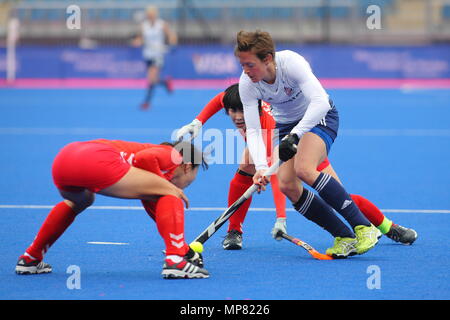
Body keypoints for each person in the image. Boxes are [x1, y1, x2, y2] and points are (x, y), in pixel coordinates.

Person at [176, 84, 417, 250]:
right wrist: (198, 122)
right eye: (232, 111)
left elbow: (280, 177)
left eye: (242, 110)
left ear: (257, 108)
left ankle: (388, 227)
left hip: (298, 149)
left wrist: (281, 217)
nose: (237, 116)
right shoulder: (237, 98)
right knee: (245, 168)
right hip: (265, 146)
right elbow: (219, 100)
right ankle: (234, 231)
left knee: (340, 197)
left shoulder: (270, 124)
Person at [235, 30, 380, 258]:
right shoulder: (247, 83)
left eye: (250, 65)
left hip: (318, 116)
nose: (245, 71)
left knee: (304, 168)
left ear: (268, 59)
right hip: (285, 125)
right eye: (242, 65)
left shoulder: (291, 63)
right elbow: (253, 130)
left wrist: (295, 135)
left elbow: (320, 101)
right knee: (287, 186)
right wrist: (262, 167)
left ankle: (364, 227)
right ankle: (344, 236)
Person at [15, 139, 209, 279]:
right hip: (97, 160)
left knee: (82, 201)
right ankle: (175, 260)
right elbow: (145, 158)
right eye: (192, 178)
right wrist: (169, 187)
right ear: (187, 166)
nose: (187, 184)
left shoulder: (147, 167)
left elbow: (153, 206)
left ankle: (31, 257)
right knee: (169, 193)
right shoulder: (169, 154)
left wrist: (182, 246)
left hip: (64, 160)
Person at [133, 5, 177, 110]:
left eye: (152, 14)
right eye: (149, 15)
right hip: (147, 55)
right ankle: (165, 83)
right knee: (153, 79)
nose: (150, 16)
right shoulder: (144, 25)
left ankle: (146, 102)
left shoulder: (161, 24)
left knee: (151, 78)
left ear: (155, 14)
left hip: (158, 54)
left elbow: (171, 35)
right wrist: (137, 42)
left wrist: (172, 43)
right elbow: (141, 38)